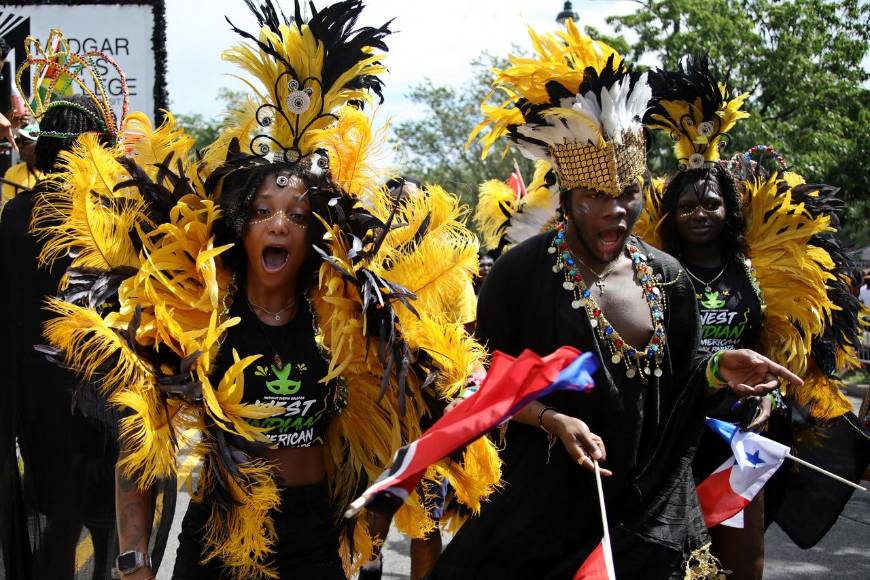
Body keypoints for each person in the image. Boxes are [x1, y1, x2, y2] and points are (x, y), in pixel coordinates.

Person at [31, 3, 499, 579]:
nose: (279, 224)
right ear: (240, 226)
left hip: (314, 536)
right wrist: (133, 560)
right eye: (262, 211)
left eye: (297, 216)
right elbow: (142, 444)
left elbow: (404, 424)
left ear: (315, 235)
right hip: (218, 534)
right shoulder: (195, 316)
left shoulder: (345, 320)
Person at [430, 21, 802, 579]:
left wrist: (719, 368)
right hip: (539, 516)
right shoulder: (520, 273)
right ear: (567, 195)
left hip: (646, 512)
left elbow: (679, 386)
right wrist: (551, 418)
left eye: (627, 193)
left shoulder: (669, 277)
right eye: (594, 197)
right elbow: (477, 383)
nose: (615, 211)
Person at [639, 56, 869, 576]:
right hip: (669, 433)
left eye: (711, 203)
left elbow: (783, 351)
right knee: (665, 559)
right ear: (671, 216)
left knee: (739, 557)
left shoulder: (756, 272)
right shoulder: (655, 274)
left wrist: (771, 394)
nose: (700, 212)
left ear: (730, 211)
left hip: (741, 437)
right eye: (687, 206)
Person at [1, 124, 43, 206]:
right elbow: (6, 208)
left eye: (24, 142)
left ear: (40, 145)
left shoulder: (55, 172)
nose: (19, 146)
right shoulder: (12, 172)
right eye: (19, 141)